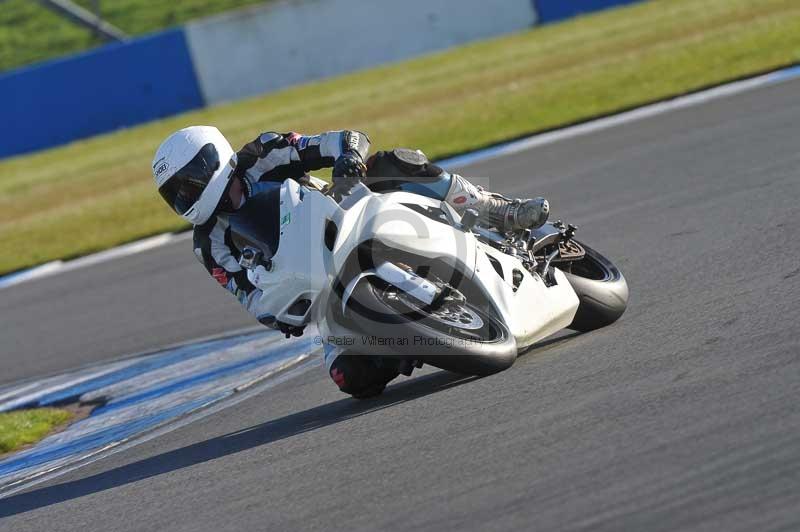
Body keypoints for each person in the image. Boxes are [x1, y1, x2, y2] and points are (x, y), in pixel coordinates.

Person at [152, 126, 549, 397]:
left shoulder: (264, 153)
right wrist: (279, 313)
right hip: (320, 285)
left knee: (391, 162)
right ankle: (412, 338)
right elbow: (248, 296)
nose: (186, 199)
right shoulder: (209, 244)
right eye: (177, 195)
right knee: (351, 378)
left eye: (190, 184)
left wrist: (349, 159)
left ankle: (500, 210)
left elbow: (345, 139)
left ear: (213, 160)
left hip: (351, 213)